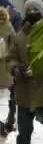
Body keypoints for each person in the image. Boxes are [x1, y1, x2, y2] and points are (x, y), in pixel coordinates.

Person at [7, 0, 43, 144]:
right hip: (25, 94)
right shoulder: (20, 36)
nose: (33, 14)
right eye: (30, 11)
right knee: (24, 133)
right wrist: (15, 69)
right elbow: (10, 58)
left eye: (36, 11)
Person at [0, 0, 22, 135]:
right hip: (8, 59)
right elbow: (18, 39)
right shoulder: (14, 12)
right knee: (13, 89)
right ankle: (10, 119)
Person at [0, 7, 16, 136]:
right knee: (7, 96)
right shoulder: (9, 27)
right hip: (6, 68)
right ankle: (8, 121)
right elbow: (14, 46)